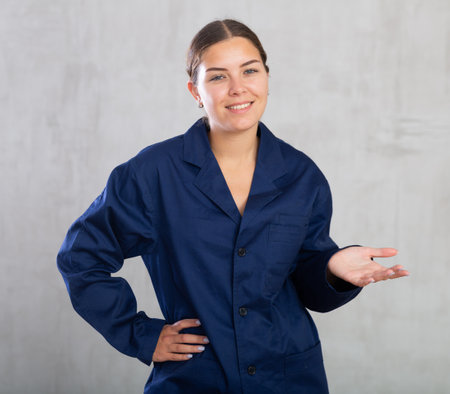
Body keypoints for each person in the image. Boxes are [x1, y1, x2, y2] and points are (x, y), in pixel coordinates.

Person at [57, 19, 409, 394]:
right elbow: (81, 258)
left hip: (289, 378)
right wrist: (142, 334)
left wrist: (331, 268)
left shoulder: (302, 175)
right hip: (194, 379)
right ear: (195, 91)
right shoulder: (152, 174)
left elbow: (308, 286)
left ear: (267, 79)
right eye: (218, 77)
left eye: (250, 70)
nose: (238, 88)